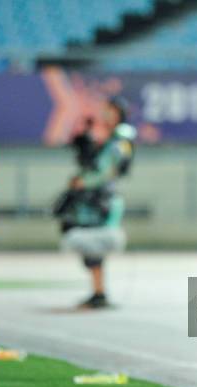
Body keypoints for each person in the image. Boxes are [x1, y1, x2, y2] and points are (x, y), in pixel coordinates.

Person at [54, 96, 136, 308]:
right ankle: (98, 291)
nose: (106, 115)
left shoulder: (119, 140)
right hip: (97, 200)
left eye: (111, 111)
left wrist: (83, 181)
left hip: (102, 202)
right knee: (92, 249)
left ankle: (99, 292)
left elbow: (106, 170)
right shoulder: (109, 139)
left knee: (93, 243)